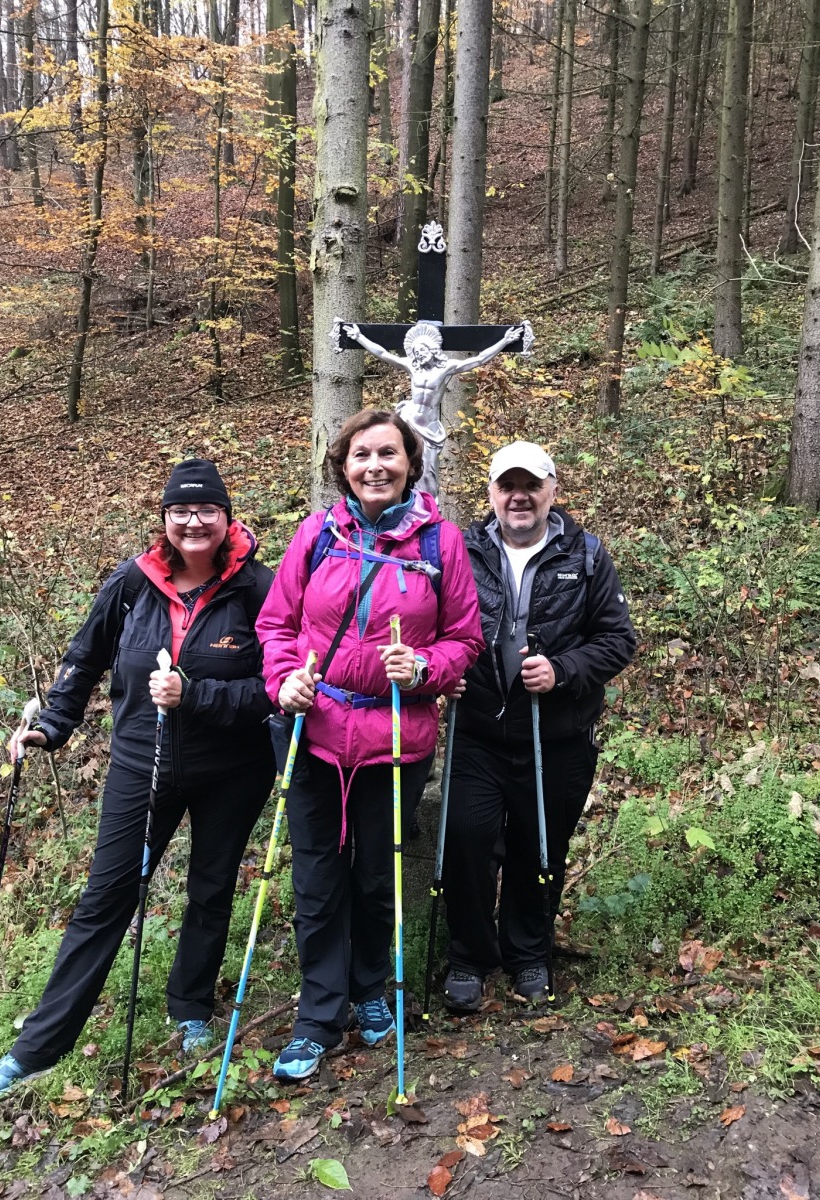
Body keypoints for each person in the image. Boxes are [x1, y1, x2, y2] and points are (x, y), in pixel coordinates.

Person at [0, 460, 276, 1101]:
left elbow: (275, 689)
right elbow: (84, 659)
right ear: (164, 518)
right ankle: (35, 1050)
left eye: (207, 510)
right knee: (105, 901)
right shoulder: (133, 582)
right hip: (141, 765)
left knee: (212, 892)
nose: (194, 521)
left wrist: (197, 694)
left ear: (226, 516)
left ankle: (190, 1010)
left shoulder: (258, 590)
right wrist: (51, 725)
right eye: (181, 511)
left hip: (234, 770)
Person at [256, 410, 483, 1081]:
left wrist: (425, 671)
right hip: (315, 733)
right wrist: (283, 682)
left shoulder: (440, 542)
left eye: (388, 453)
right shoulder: (317, 534)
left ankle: (370, 991)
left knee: (376, 876)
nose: (375, 466)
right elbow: (276, 624)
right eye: (362, 455)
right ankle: (318, 1017)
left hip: (394, 735)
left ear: (411, 461)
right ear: (343, 467)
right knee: (317, 880)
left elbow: (463, 640)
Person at [441, 441, 636, 1011]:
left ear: (552, 489)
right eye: (507, 486)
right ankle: (469, 958)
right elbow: (433, 627)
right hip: (478, 731)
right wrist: (442, 671)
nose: (518, 496)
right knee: (468, 843)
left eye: (531, 485)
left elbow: (618, 639)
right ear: (492, 493)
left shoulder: (588, 555)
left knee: (539, 845)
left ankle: (529, 953)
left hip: (557, 737)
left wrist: (563, 670)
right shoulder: (462, 552)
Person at [337, 321, 528, 495]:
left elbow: (478, 360)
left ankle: (429, 506)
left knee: (427, 472)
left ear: (432, 349)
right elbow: (383, 354)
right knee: (401, 463)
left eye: (423, 350)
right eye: (417, 351)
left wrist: (504, 341)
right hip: (409, 420)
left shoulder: (445, 368)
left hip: (428, 426)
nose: (420, 354)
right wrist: (358, 337)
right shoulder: (412, 366)